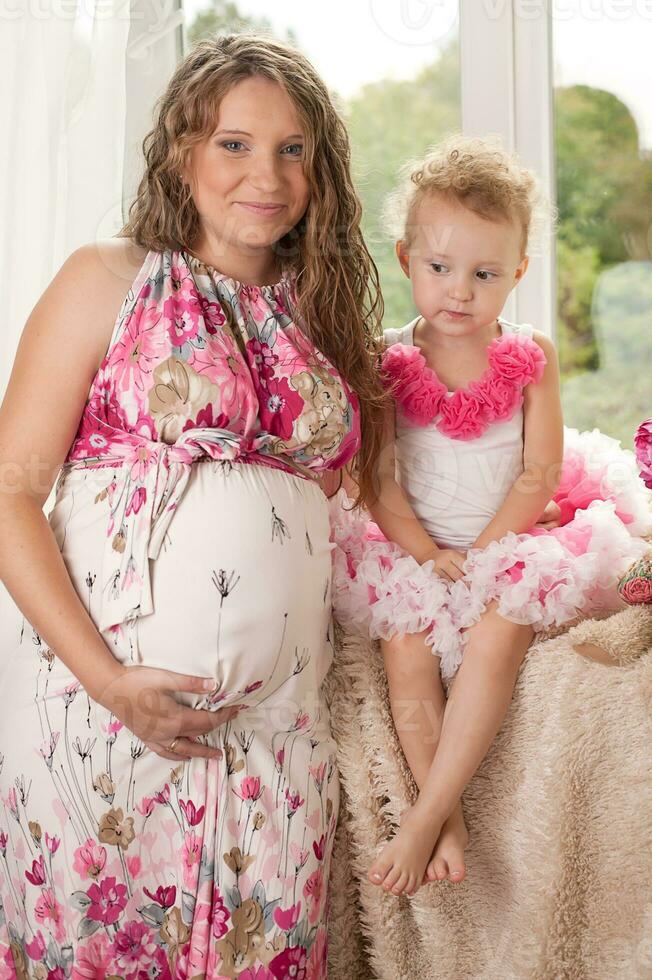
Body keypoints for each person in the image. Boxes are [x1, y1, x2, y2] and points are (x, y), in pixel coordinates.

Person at [0, 33, 389, 978]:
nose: (266, 174)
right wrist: (108, 681)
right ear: (182, 150)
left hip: (279, 746)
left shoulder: (322, 314)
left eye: (292, 149)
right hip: (103, 712)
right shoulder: (107, 277)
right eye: (234, 143)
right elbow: (10, 492)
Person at [329, 135, 652, 900]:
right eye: (440, 269)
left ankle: (426, 814)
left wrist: (485, 549)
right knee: (405, 649)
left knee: (500, 633)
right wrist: (421, 551)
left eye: (485, 273)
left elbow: (538, 471)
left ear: (518, 274)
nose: (460, 291)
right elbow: (376, 477)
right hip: (413, 543)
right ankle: (449, 824)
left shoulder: (528, 355)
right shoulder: (385, 357)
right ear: (406, 259)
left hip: (505, 537)